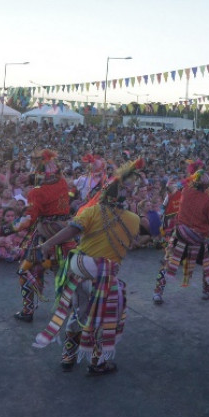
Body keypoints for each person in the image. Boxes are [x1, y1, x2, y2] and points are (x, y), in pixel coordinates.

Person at [40, 160, 143, 374]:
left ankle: (68, 356)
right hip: (104, 278)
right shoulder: (133, 220)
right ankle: (97, 362)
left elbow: (71, 231)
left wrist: (48, 243)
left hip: (78, 269)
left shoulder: (92, 212)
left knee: (78, 312)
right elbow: (144, 236)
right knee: (103, 318)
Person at [153, 161, 209, 305]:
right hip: (197, 239)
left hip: (179, 234)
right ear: (206, 186)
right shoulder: (208, 201)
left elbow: (176, 189)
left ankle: (157, 293)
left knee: (167, 263)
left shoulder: (185, 191)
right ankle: (207, 291)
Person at [11, 149, 75, 324]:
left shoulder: (36, 192)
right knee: (63, 271)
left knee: (25, 271)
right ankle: (66, 303)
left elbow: (29, 220)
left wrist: (8, 228)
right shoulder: (62, 182)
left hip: (45, 234)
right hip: (65, 232)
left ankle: (27, 310)